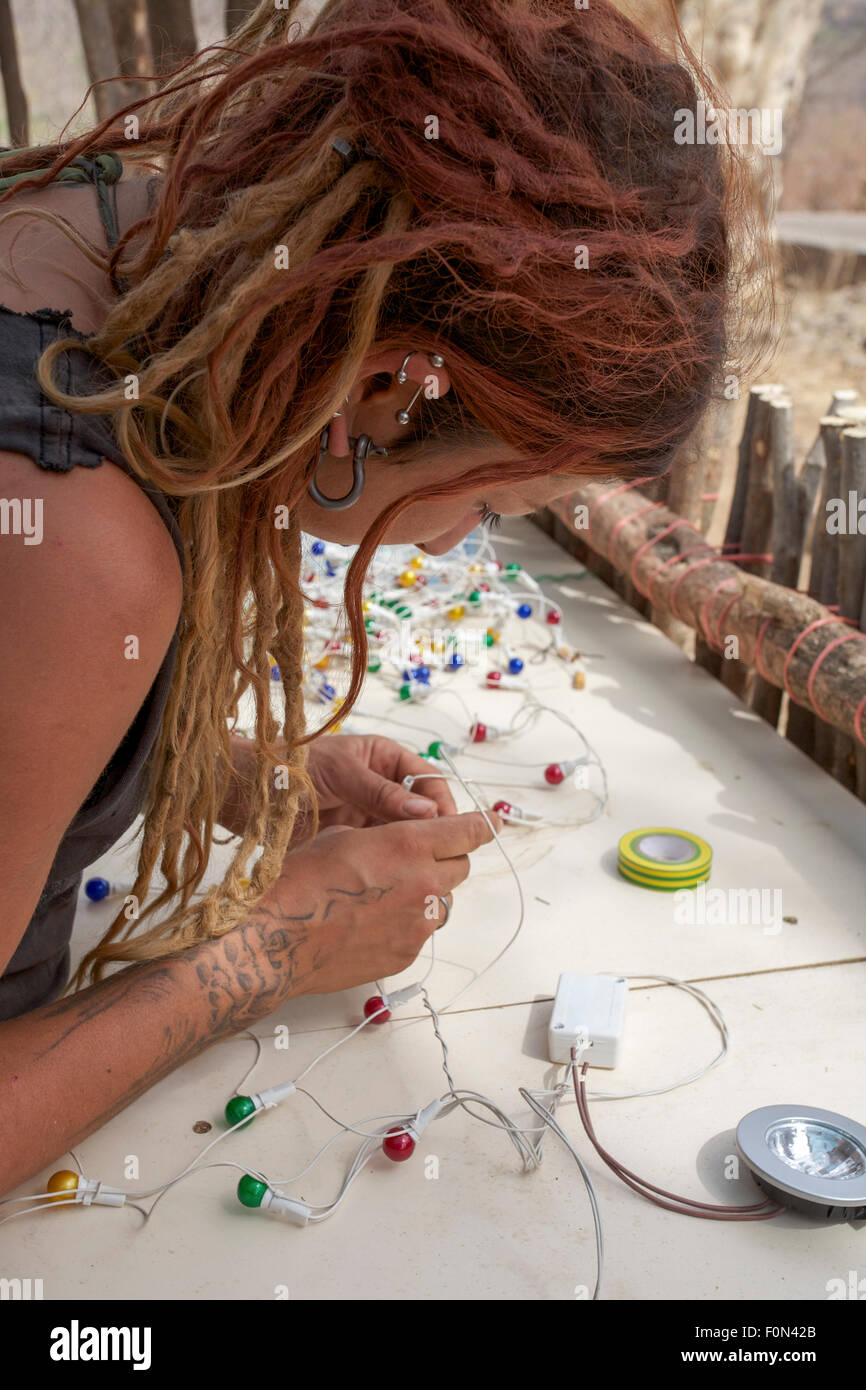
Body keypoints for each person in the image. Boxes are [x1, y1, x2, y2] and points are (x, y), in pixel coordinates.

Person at [0, 0, 761, 1197]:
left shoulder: (101, 231)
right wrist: (261, 955)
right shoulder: (74, 543)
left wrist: (250, 775)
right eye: (489, 505)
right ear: (386, 396)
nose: (462, 540)